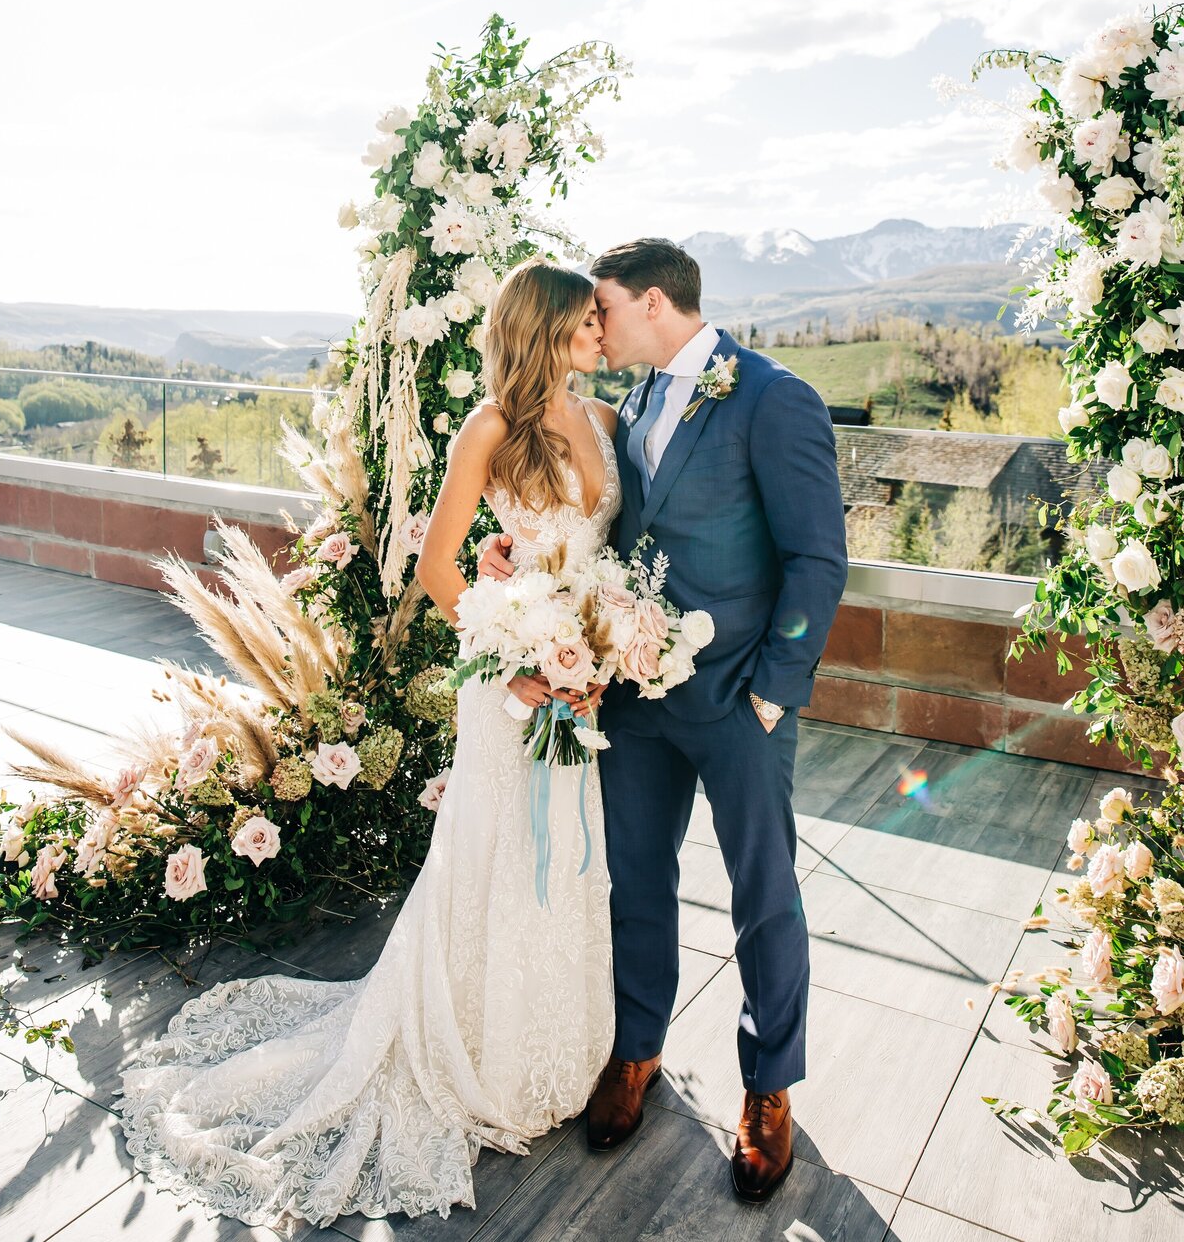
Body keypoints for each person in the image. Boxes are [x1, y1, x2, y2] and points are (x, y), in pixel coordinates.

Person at [118, 259, 620, 1233]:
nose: (600, 328)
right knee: (498, 857)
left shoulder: (600, 423)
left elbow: (606, 554)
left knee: (566, 857)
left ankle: (563, 1044)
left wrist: (597, 645)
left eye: (601, 319)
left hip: (580, 683)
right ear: (546, 329)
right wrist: (514, 652)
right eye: (586, 318)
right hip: (508, 684)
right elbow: (439, 568)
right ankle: (474, 1049)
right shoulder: (490, 429)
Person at [479, 237, 848, 1203]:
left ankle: (769, 1087)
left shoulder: (772, 396)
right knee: (636, 879)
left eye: (601, 308)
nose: (592, 327)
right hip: (632, 701)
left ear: (651, 303)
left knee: (762, 893)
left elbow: (817, 558)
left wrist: (775, 687)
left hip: (737, 704)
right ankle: (637, 1050)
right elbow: (592, 522)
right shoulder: (627, 400)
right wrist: (513, 562)